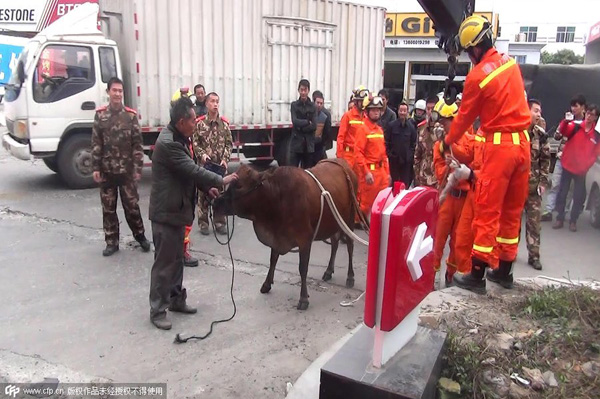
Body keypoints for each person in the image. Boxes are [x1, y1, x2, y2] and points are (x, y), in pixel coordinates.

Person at [439, 14, 531, 294]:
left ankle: (477, 275)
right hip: (523, 145)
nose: (469, 56)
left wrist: (446, 142)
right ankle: (504, 271)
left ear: (475, 48)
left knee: (487, 210)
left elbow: (464, 118)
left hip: (500, 146)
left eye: (468, 52)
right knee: (512, 211)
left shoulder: (478, 76)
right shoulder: (511, 64)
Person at [148, 97, 238, 330]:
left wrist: (207, 188)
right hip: (166, 213)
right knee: (164, 263)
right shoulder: (169, 143)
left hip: (176, 211)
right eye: (191, 121)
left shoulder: (180, 137)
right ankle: (158, 310)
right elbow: (191, 169)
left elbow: (187, 174)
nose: (195, 124)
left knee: (177, 259)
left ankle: (177, 299)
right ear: (180, 121)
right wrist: (220, 179)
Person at [91, 77, 151, 257]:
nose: (117, 94)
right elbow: (96, 143)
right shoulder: (100, 115)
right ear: (108, 92)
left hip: (127, 172)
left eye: (120, 91)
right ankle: (112, 242)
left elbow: (137, 145)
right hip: (107, 171)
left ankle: (140, 236)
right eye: (114, 90)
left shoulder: (130, 116)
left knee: (132, 207)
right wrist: (95, 167)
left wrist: (138, 169)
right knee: (108, 209)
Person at [431, 100, 472, 286]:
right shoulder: (439, 146)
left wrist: (450, 146)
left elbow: (468, 158)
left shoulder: (468, 140)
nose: (441, 126)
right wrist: (448, 163)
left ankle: (451, 275)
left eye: (444, 122)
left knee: (458, 242)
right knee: (437, 240)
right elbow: (440, 172)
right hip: (448, 198)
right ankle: (431, 277)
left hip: (464, 199)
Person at [553, 104, 600, 232]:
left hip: (581, 170)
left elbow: (595, 153)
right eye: (588, 113)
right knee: (562, 193)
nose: (589, 116)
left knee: (578, 196)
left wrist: (586, 165)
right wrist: (565, 121)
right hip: (568, 165)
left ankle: (573, 221)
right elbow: (563, 132)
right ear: (586, 113)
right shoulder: (576, 126)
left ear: (596, 117)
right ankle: (560, 218)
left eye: (593, 115)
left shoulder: (596, 135)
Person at [193, 92, 233, 236]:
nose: (215, 104)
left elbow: (229, 144)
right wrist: (202, 155)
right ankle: (203, 223)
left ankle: (220, 222)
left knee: (220, 194)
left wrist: (225, 159)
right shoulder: (200, 124)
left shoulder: (224, 124)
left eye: (217, 101)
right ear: (206, 104)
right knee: (203, 195)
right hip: (205, 166)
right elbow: (195, 143)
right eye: (212, 101)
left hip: (219, 167)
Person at [542, 94, 586, 222]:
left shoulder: (587, 123)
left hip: (577, 162)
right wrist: (564, 124)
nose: (573, 109)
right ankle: (549, 210)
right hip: (562, 157)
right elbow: (557, 137)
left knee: (570, 189)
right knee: (555, 184)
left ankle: (563, 211)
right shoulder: (567, 120)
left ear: (583, 107)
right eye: (572, 106)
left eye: (576, 106)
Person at [524, 99, 550, 270]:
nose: (539, 114)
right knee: (509, 225)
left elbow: (545, 161)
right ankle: (505, 257)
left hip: (533, 188)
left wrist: (543, 182)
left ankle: (534, 256)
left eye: (540, 111)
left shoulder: (541, 135)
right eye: (535, 110)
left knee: (534, 223)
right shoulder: (515, 132)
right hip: (516, 186)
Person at [354, 96, 391, 219]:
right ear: (367, 112)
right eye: (373, 110)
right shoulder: (363, 129)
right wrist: (366, 172)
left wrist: (387, 173)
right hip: (371, 174)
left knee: (383, 204)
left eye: (378, 110)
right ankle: (356, 227)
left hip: (381, 174)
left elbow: (384, 154)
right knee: (365, 206)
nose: (376, 112)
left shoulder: (380, 130)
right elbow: (358, 153)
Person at [384, 102, 417, 188]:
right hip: (393, 162)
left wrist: (409, 156)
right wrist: (390, 155)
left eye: (404, 111)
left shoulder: (411, 128)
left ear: (407, 112)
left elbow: (413, 144)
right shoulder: (391, 126)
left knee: (404, 186)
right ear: (398, 111)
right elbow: (387, 142)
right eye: (401, 110)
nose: (402, 113)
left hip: (406, 163)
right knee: (392, 186)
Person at [337, 86, 370, 169]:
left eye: (364, 101)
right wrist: (339, 158)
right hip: (348, 157)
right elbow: (341, 138)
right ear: (356, 101)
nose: (363, 103)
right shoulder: (348, 116)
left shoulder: (366, 118)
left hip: (361, 157)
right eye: (361, 101)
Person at [290, 79, 317, 168]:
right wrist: (307, 122)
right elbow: (294, 121)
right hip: (297, 144)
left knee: (307, 172)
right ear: (298, 90)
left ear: (308, 91)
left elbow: (314, 126)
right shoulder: (294, 105)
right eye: (301, 90)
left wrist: (301, 127)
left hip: (308, 145)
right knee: (293, 171)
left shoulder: (313, 106)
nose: (303, 92)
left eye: (305, 90)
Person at [413, 103, 441, 188]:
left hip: (438, 178)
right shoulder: (421, 128)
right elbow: (417, 154)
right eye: (428, 109)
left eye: (432, 109)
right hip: (423, 178)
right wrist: (417, 175)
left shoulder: (443, 129)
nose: (430, 111)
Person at [311, 90, 332, 165]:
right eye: (317, 103)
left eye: (321, 103)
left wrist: (322, 144)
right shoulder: (309, 112)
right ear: (313, 102)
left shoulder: (326, 115)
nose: (319, 105)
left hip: (319, 148)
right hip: (309, 147)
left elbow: (327, 132)